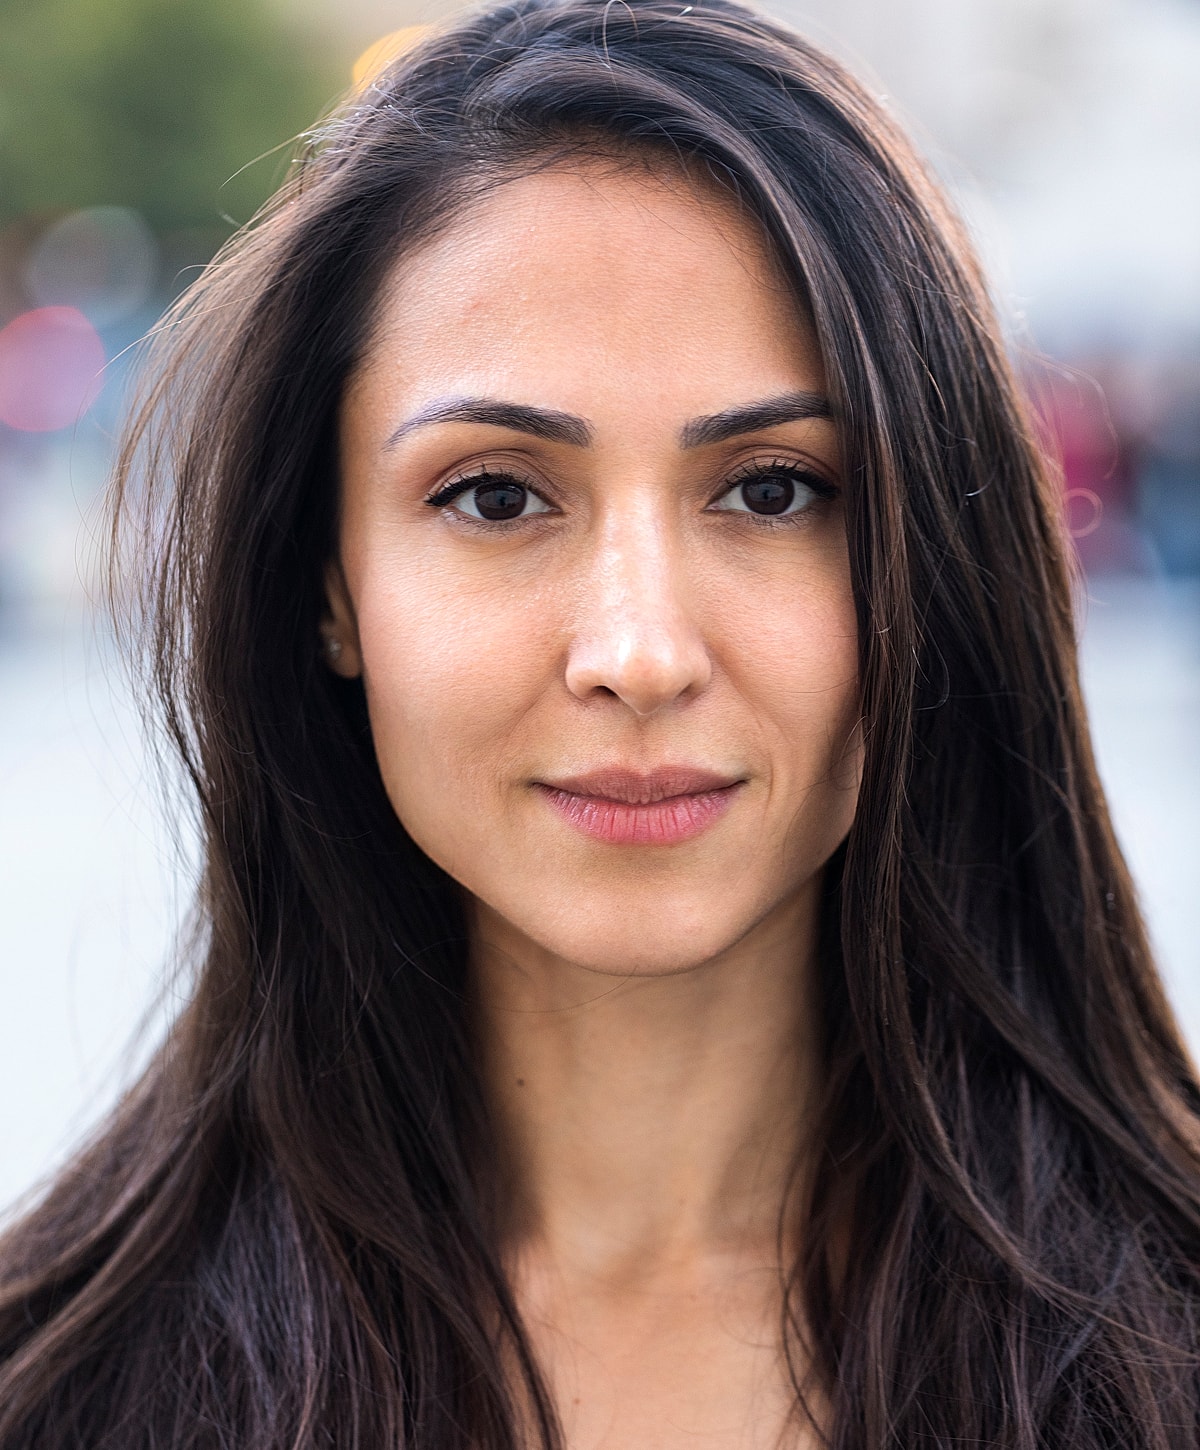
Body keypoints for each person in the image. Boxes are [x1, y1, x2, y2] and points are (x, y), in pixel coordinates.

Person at [2, 1, 1198, 1445]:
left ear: (940, 569)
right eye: (497, 494)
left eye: (772, 489)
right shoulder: (61, 1386)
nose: (640, 651)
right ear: (329, 582)